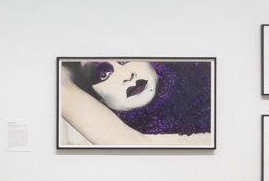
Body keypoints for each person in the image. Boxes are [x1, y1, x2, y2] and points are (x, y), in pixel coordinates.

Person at [58, 59, 213, 148]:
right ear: (97, 99)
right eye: (103, 74)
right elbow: (61, 87)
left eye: (125, 60)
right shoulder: (134, 138)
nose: (127, 75)